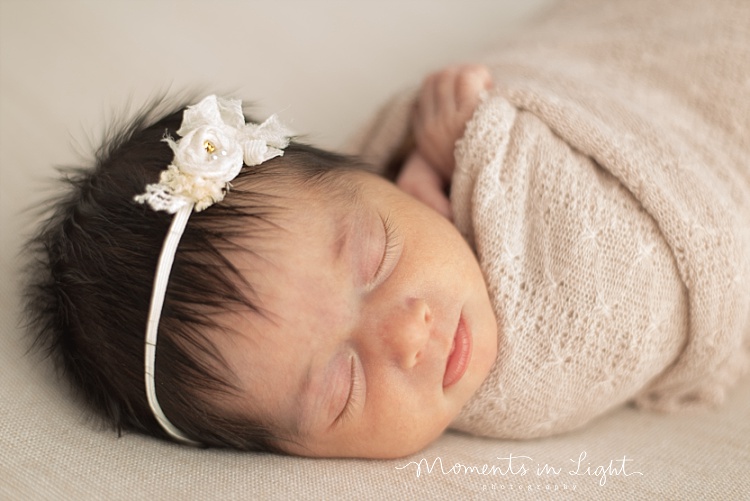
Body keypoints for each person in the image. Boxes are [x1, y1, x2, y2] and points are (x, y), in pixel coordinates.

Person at [25, 0, 750, 459]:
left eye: (376, 256)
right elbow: (629, 293)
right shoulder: (537, 373)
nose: (408, 335)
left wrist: (458, 146)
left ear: (375, 172)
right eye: (343, 385)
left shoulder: (413, 167)